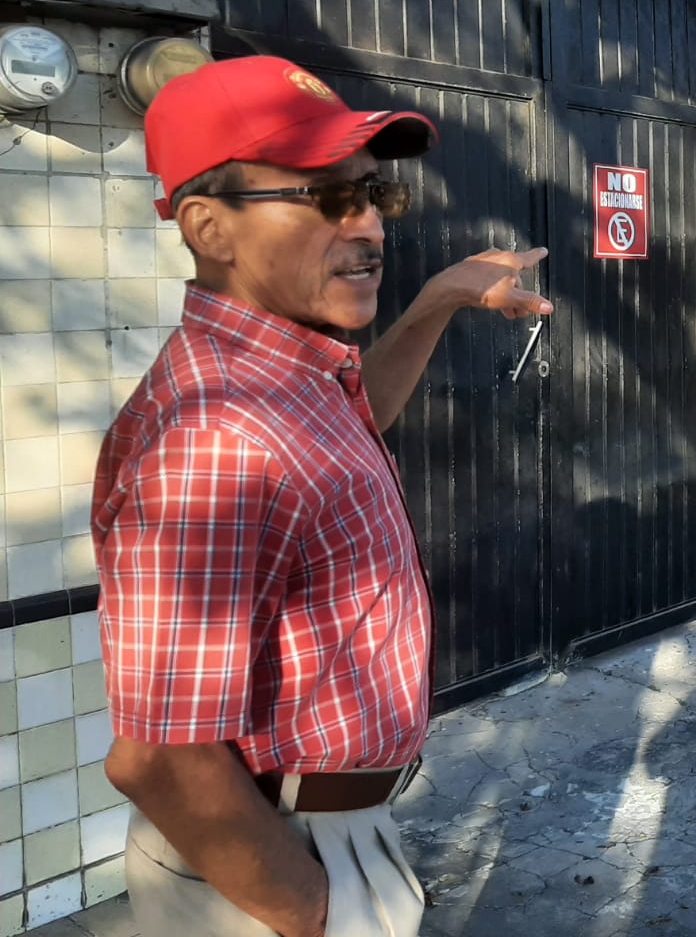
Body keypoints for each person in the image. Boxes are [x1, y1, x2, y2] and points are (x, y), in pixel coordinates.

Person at [91, 55, 551, 937]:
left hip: (328, 834)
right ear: (208, 226)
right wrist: (313, 913)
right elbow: (158, 757)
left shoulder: (287, 371)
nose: (370, 225)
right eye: (325, 198)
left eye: (375, 195)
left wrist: (434, 305)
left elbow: (342, 440)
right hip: (270, 860)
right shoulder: (213, 439)